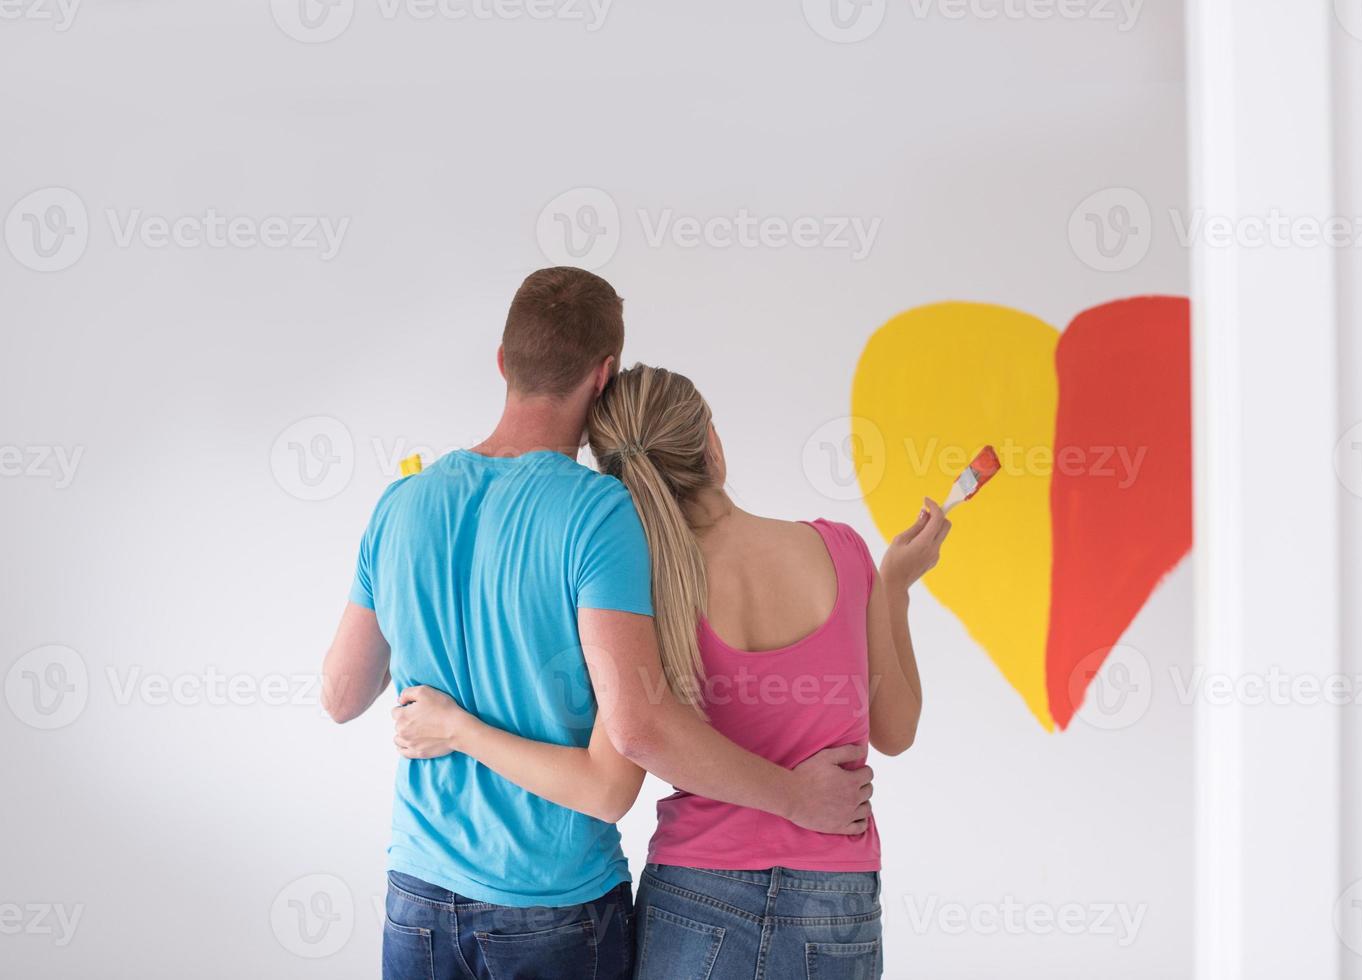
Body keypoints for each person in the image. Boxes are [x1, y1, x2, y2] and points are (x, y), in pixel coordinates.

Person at [320, 270, 875, 980]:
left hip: (418, 897)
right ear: (603, 375)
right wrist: (797, 796)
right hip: (553, 910)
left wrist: (447, 706)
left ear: (502, 361)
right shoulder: (600, 514)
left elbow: (340, 696)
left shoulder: (401, 503)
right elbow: (615, 779)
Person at [394, 363, 948, 979]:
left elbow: (627, 748)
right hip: (834, 899)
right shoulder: (844, 550)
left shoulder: (641, 586)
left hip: (694, 894)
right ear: (710, 440)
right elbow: (896, 731)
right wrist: (893, 586)